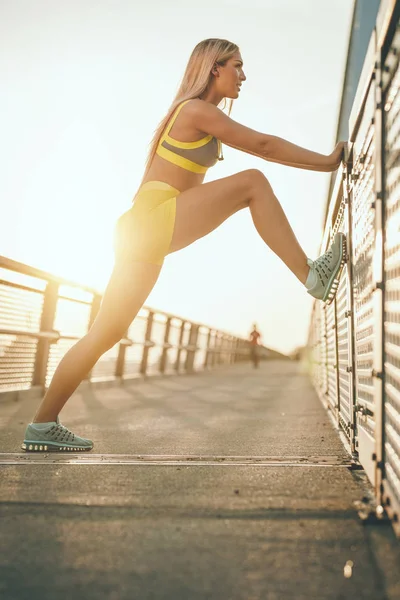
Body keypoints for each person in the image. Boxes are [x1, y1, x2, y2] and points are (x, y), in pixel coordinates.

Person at [21, 38, 347, 453]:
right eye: (238, 66)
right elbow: (263, 146)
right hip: (155, 218)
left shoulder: (198, 113)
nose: (243, 76)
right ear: (214, 67)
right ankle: (312, 275)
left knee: (107, 331)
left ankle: (42, 425)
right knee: (253, 183)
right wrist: (327, 161)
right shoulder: (196, 111)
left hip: (141, 228)